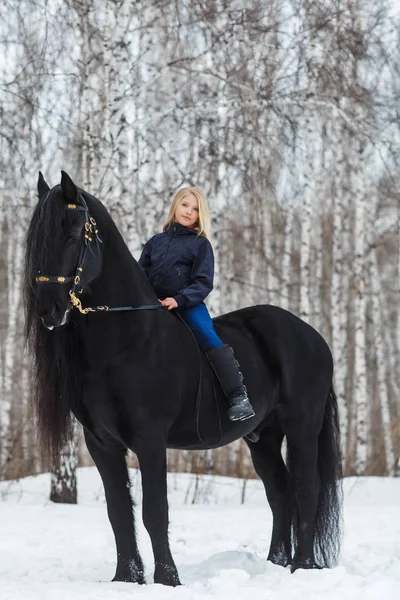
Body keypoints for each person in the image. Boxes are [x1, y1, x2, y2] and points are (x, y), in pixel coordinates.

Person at [138, 187, 255, 422]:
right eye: (185, 205)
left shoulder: (201, 245)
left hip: (187, 303)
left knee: (207, 333)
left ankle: (238, 396)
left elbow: (203, 282)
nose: (189, 212)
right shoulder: (155, 242)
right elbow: (141, 274)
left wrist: (178, 299)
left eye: (195, 209)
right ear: (176, 206)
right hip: (154, 304)